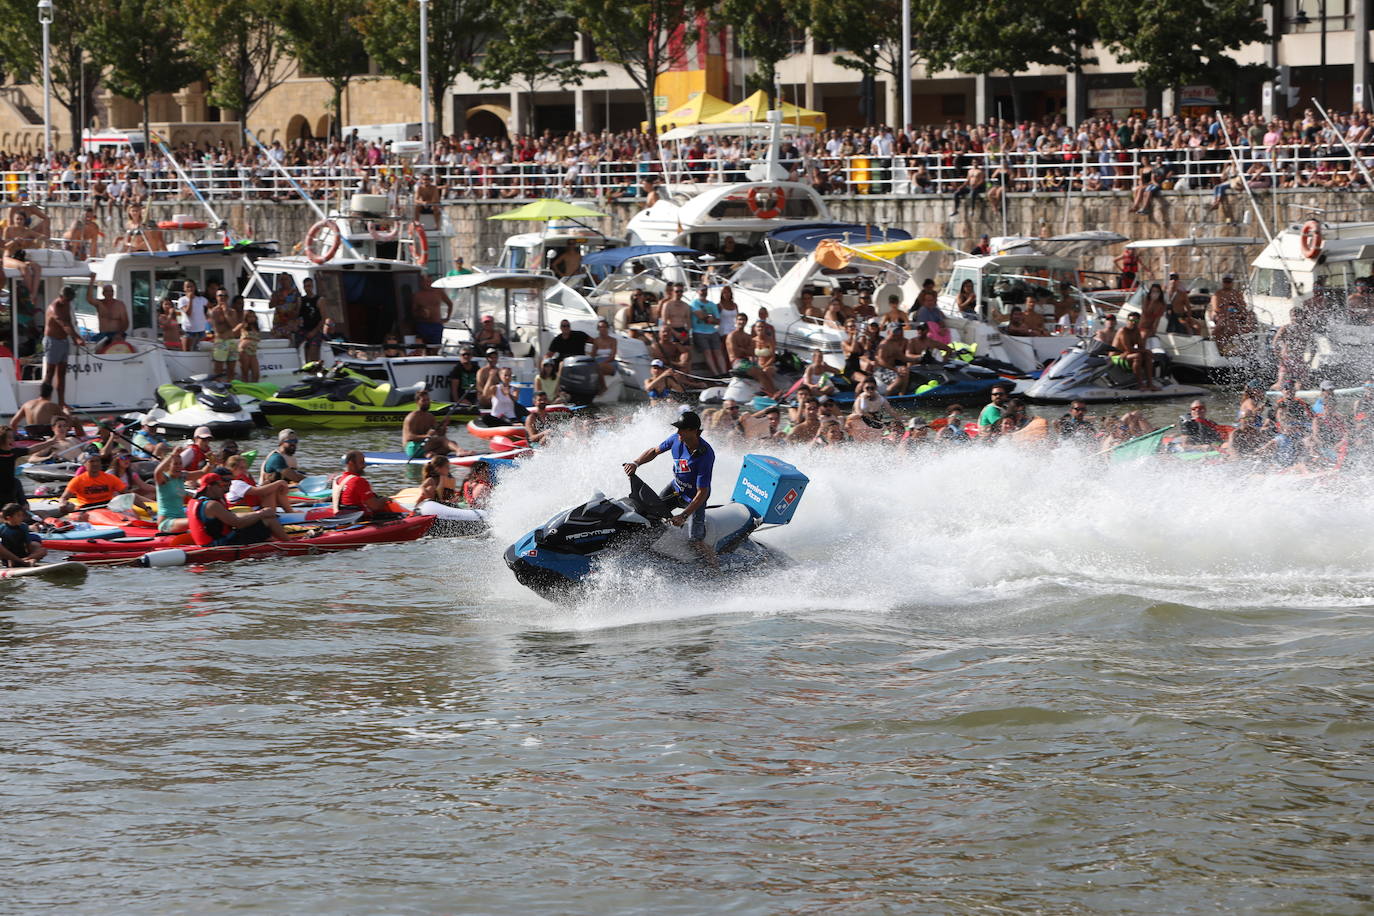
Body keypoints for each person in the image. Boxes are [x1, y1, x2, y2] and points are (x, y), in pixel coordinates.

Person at [622, 410, 717, 568]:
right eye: (677, 428)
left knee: (695, 542)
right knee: (651, 515)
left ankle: (716, 571)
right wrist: (636, 463)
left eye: (682, 429)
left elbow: (702, 493)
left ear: (693, 431)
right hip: (675, 489)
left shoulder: (705, 455)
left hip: (694, 499)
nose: (678, 432)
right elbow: (654, 451)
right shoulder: (676, 439)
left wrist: (684, 515)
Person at [188, 473, 291, 546]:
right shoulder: (212, 505)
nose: (223, 489)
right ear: (210, 487)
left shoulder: (193, 502)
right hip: (220, 545)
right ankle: (290, 544)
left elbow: (231, 516)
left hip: (208, 543)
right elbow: (237, 523)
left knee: (261, 519)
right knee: (269, 519)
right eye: (220, 486)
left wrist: (257, 514)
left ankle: (272, 539)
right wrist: (261, 514)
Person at [43, 286, 84, 409]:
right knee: (50, 373)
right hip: (52, 341)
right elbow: (64, 325)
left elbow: (69, 322)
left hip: (63, 341)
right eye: (66, 300)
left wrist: (76, 337)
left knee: (62, 373)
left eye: (70, 300)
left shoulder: (67, 305)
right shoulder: (54, 308)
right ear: (61, 297)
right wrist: (76, 338)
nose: (68, 302)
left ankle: (62, 403)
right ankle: (45, 401)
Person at [402, 390, 466, 459]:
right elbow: (408, 437)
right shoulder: (412, 417)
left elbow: (441, 434)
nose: (427, 402)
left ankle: (428, 454)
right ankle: (459, 450)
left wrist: (444, 425)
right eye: (424, 400)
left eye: (428, 400)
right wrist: (427, 436)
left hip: (424, 446)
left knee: (451, 444)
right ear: (417, 402)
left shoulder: (430, 417)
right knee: (444, 441)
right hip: (412, 448)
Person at [224, 454, 292, 513]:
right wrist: (280, 482)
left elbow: (256, 489)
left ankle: (289, 511)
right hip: (250, 512)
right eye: (241, 468)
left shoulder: (241, 479)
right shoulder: (235, 483)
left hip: (255, 507)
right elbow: (259, 491)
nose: (245, 470)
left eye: (245, 467)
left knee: (271, 485)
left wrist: (267, 483)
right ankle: (289, 512)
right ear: (232, 469)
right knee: (272, 489)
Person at [333, 450, 390, 517]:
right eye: (361, 463)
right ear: (351, 463)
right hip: (359, 518)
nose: (364, 465)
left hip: (344, 516)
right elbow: (375, 506)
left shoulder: (339, 479)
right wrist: (385, 499)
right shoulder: (359, 481)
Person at [1208, 277, 1256, 354]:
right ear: (1223, 283)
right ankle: (1219, 346)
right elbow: (1216, 309)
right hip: (1221, 316)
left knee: (1251, 315)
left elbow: (1242, 306)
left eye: (1229, 282)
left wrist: (1238, 312)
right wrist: (1229, 313)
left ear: (1232, 283)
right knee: (1225, 323)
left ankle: (1250, 344)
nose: (1227, 284)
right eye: (1225, 282)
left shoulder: (1237, 294)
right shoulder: (1218, 294)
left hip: (1234, 315)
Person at [60, 454, 128, 509]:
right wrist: (63, 504)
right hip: (87, 508)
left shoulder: (110, 478)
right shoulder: (77, 480)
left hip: (107, 506)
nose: (95, 464)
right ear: (85, 464)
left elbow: (127, 493)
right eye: (91, 461)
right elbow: (64, 498)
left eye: (97, 461)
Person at [1112, 312, 1158, 390]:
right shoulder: (1123, 331)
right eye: (1131, 320)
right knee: (1138, 355)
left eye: (1136, 321)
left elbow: (1141, 347)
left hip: (1127, 354)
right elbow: (1128, 349)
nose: (1133, 323)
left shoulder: (1136, 331)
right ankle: (1139, 384)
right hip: (1116, 357)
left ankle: (1149, 384)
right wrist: (1145, 351)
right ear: (1127, 321)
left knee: (1147, 356)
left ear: (1139, 321)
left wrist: (1146, 351)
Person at [152, 448, 190, 534]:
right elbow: (157, 472)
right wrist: (172, 454)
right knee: (194, 521)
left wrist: (210, 463)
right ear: (168, 466)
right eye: (175, 464)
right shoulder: (163, 479)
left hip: (181, 520)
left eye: (180, 464)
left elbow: (203, 472)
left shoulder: (181, 477)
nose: (179, 466)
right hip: (166, 523)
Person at [689, 286, 725, 375]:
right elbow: (700, 316)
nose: (704, 292)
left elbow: (718, 321)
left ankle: (724, 373)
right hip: (699, 332)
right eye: (702, 290)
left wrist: (710, 319)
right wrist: (710, 318)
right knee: (707, 353)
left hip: (712, 331)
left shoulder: (712, 304)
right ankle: (716, 374)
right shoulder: (694, 303)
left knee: (718, 352)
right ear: (697, 291)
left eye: (705, 290)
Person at [411, 275, 453, 350]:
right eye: (426, 282)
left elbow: (450, 304)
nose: (428, 283)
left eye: (430, 281)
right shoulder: (417, 295)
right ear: (421, 283)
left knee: (436, 348)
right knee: (422, 348)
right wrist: (421, 313)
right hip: (423, 325)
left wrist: (447, 318)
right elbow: (413, 312)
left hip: (436, 324)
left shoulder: (439, 291)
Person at [0, 502, 46, 568]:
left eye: (22, 515)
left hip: (22, 555)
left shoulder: (23, 527)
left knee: (43, 550)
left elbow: (28, 544)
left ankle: (26, 560)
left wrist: (32, 555)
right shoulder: (2, 528)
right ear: (9, 518)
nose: (21, 518)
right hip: (9, 557)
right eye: (18, 515)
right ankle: (24, 562)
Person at [85, 283, 129, 348]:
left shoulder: (120, 305)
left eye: (111, 291)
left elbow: (126, 322)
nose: (110, 293)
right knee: (88, 345)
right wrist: (92, 280)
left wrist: (119, 334)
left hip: (116, 335)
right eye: (107, 291)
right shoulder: (99, 304)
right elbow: (89, 298)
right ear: (103, 293)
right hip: (103, 336)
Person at [207, 289, 238, 380]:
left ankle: (230, 387)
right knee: (218, 370)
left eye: (225, 295)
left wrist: (226, 313)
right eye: (220, 295)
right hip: (221, 341)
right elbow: (219, 329)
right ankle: (218, 388)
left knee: (231, 369)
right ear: (216, 297)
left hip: (231, 341)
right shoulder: (213, 311)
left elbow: (233, 325)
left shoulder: (232, 311)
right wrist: (225, 314)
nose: (222, 297)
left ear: (228, 297)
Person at [0, 426, 31, 509]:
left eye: (12, 437)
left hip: (10, 489)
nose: (13, 440)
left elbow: (31, 449)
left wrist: (51, 442)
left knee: (16, 482)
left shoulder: (13, 452)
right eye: (9, 438)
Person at [296, 278, 326, 362]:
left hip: (315, 329)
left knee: (313, 352)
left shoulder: (319, 300)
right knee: (303, 353)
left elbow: (323, 318)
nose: (307, 288)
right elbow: (297, 315)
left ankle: (315, 370)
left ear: (312, 286)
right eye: (305, 286)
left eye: (309, 286)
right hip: (303, 329)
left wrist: (314, 331)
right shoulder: (301, 300)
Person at [178, 279, 210, 350]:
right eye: (187, 287)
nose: (190, 288)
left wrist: (207, 316)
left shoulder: (202, 299)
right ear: (184, 289)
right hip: (188, 331)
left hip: (201, 330)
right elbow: (188, 313)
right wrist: (190, 299)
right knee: (187, 351)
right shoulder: (182, 300)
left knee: (201, 351)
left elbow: (210, 308)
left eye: (191, 286)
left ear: (195, 287)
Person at [237, 308, 261, 382]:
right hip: (244, 351)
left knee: (256, 374)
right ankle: (245, 390)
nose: (252, 318)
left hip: (253, 352)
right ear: (246, 317)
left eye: (253, 316)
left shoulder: (256, 328)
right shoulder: (243, 325)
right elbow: (232, 332)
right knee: (245, 375)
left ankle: (254, 389)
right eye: (249, 316)